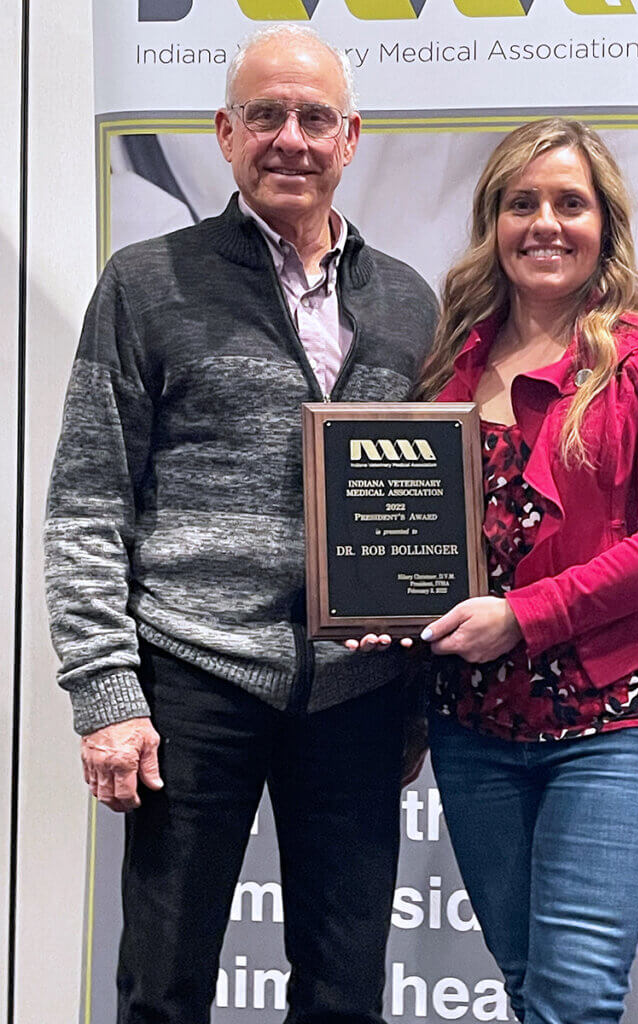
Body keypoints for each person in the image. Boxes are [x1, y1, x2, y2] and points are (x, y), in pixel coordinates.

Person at [44, 25, 436, 1024]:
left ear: (350, 138)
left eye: (314, 118)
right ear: (225, 132)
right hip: (194, 680)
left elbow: (434, 518)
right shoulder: (147, 280)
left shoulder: (408, 302)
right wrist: (105, 695)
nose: (290, 138)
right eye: (266, 115)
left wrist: (420, 695)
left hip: (357, 688)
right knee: (165, 990)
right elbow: (89, 500)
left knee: (346, 994)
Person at [416, 119, 638, 1023]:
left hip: (616, 726)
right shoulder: (446, 368)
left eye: (570, 202)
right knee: (527, 990)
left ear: (604, 224)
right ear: (493, 222)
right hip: (475, 733)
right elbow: (414, 545)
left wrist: (522, 615)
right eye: (522, 202)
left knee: (573, 1000)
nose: (545, 223)